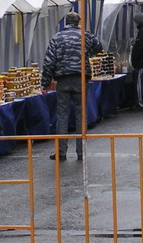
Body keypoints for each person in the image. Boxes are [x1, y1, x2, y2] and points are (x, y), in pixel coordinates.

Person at [40, 12, 103, 161]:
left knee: (62, 115)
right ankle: (81, 152)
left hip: (63, 80)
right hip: (81, 79)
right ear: (78, 22)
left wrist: (45, 83)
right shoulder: (85, 35)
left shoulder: (56, 37)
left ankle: (61, 152)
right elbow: (99, 47)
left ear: (65, 22)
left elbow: (49, 61)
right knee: (81, 115)